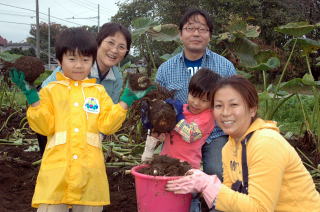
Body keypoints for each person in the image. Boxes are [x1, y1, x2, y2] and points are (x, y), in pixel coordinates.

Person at [9, 28, 151, 212]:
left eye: (85, 60)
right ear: (59, 61)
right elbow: (44, 127)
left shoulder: (98, 92)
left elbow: (107, 126)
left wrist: (125, 101)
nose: (78, 65)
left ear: (92, 61)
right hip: (56, 174)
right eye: (72, 59)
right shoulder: (51, 90)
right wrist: (33, 99)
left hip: (89, 174)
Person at [166, 75, 320, 212]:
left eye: (233, 105)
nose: (225, 112)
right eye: (219, 105)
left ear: (252, 109)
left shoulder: (266, 143)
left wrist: (208, 184)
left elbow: (260, 208)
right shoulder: (229, 148)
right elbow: (230, 200)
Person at [156, 8, 236, 182]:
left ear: (210, 35)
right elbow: (159, 105)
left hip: (215, 133)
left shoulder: (226, 67)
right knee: (172, 173)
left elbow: (236, 102)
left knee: (217, 171)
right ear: (180, 34)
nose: (196, 33)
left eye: (202, 29)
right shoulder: (165, 69)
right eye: (190, 28)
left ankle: (216, 205)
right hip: (178, 135)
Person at [37, 22, 132, 155]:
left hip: (86, 126)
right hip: (56, 120)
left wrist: (99, 136)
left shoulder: (117, 77)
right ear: (98, 43)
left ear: (126, 52)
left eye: (121, 47)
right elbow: (45, 95)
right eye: (110, 43)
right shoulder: (78, 66)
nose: (114, 50)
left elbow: (109, 111)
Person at [142, 68, 221, 170]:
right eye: (193, 96)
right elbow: (160, 133)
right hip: (165, 162)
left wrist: (174, 116)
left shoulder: (207, 117)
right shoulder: (180, 109)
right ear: (188, 92)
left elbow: (190, 135)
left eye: (204, 100)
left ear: (213, 102)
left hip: (186, 168)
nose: (196, 103)